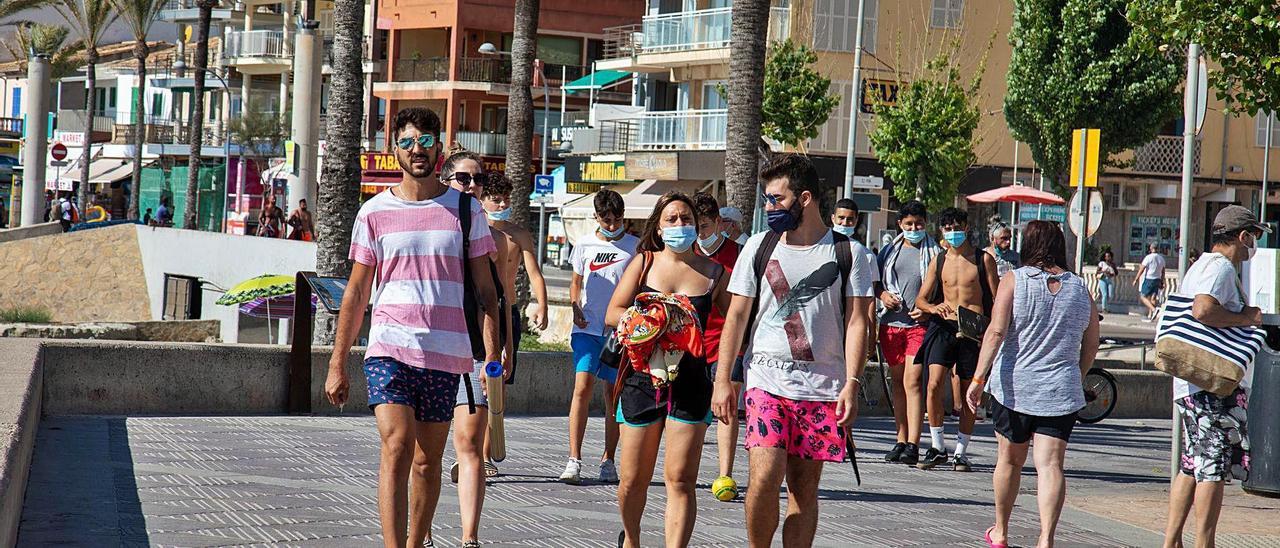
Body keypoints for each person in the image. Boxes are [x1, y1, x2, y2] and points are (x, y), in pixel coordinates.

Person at [323, 107, 503, 548]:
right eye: (406, 141)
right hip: (389, 347)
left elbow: (486, 292)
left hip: (447, 353)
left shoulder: (465, 210)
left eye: (424, 140)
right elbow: (356, 292)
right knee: (397, 445)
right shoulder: (374, 212)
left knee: (427, 462)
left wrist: (492, 355)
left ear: (439, 146)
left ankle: (417, 541)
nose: (416, 149)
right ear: (395, 150)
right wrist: (337, 362)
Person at [712, 154, 874, 547]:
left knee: (803, 490)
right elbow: (735, 316)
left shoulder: (850, 254)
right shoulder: (759, 246)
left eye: (776, 199)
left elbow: (858, 322)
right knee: (763, 479)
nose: (769, 207)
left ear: (804, 198)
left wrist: (852, 383)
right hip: (766, 381)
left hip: (822, 389)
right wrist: (722, 379)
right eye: (767, 199)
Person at [964, 220, 1100, 548]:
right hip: (1060, 391)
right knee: (1051, 465)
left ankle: (1001, 530)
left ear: (1029, 245)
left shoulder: (1015, 280)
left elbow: (996, 332)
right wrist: (1076, 376)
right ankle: (1046, 538)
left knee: (1009, 461)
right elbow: (1092, 341)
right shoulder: (1080, 288)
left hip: (1015, 387)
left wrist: (979, 378)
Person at [609, 192, 730, 548]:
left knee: (680, 479)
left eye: (687, 219)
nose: (681, 225)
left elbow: (736, 320)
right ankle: (631, 539)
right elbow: (612, 312)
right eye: (672, 219)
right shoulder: (644, 263)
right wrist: (649, 320)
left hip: (691, 383)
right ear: (659, 229)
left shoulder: (714, 272)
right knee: (633, 479)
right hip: (641, 381)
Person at [410, 150, 512, 548]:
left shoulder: (490, 233)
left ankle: (470, 537)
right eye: (463, 179)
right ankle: (423, 532)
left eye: (478, 180)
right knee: (422, 453)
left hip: (471, 349)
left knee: (470, 445)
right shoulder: (425, 217)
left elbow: (496, 299)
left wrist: (497, 353)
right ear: (447, 180)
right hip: (428, 348)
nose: (472, 186)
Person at [1163, 206, 1267, 548]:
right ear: (1242, 236)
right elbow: (1203, 310)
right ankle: (1203, 543)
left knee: (1192, 463)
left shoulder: (1202, 264)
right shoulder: (1221, 267)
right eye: (1254, 236)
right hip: (1210, 386)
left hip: (1192, 383)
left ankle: (1171, 541)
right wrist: (1248, 317)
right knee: (1213, 466)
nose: (1254, 244)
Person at [913, 207, 1000, 472]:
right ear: (941, 231)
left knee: (968, 394)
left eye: (957, 227)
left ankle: (961, 452)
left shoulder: (983, 259)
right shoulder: (939, 261)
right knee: (933, 384)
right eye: (948, 228)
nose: (953, 233)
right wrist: (932, 308)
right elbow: (921, 298)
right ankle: (937, 446)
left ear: (967, 227)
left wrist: (993, 330)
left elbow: (997, 299)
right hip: (943, 327)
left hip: (972, 332)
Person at [562, 188, 637, 484]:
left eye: (617, 219)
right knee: (582, 386)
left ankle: (608, 459)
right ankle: (574, 459)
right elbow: (575, 282)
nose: (612, 225)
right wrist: (574, 306)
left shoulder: (635, 246)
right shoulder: (583, 245)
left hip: (617, 332)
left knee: (611, 393)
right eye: (606, 219)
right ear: (596, 217)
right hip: (587, 328)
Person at [875, 200, 940, 464]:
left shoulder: (936, 253)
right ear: (900, 224)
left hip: (919, 326)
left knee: (914, 381)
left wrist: (928, 310)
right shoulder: (889, 251)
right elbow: (875, 282)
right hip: (891, 324)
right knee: (898, 383)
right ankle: (900, 439)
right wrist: (883, 295)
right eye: (909, 224)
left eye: (919, 224)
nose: (914, 228)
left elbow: (944, 289)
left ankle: (914, 442)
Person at [692, 192, 745, 498]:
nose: (701, 232)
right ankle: (691, 467)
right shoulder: (686, 252)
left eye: (707, 225)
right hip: (696, 340)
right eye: (696, 226)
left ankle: (726, 473)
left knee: (728, 404)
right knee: (698, 407)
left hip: (730, 340)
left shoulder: (738, 253)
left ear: (719, 222)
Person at [1135, 243, 1166, 321]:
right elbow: (1163, 271)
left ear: (1151, 248)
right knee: (1153, 298)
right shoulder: (1161, 258)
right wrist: (1162, 281)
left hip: (1149, 278)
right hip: (1157, 279)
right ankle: (1151, 315)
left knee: (1143, 296)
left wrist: (1136, 279)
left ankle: (1154, 310)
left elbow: (1142, 269)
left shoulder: (1148, 257)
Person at [1097, 249, 1118, 314]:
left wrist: (1111, 273)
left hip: (1110, 280)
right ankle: (1104, 308)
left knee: (1110, 294)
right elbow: (1097, 271)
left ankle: (1106, 306)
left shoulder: (1112, 264)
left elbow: (1116, 273)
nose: (1107, 258)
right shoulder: (1102, 263)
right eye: (1106, 256)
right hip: (1103, 279)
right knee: (1105, 294)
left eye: (1109, 256)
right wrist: (1104, 271)